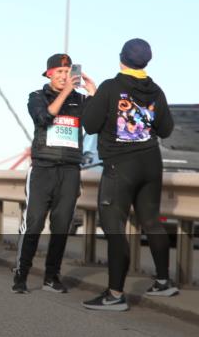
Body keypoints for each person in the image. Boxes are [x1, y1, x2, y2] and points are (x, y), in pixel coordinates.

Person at [80, 38, 177, 311]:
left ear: (121, 58)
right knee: (152, 222)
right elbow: (166, 129)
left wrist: (92, 96)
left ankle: (115, 295)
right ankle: (163, 281)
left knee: (114, 228)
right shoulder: (156, 91)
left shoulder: (111, 87)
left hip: (120, 166)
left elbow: (90, 125)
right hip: (151, 164)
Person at [12, 54, 97, 295]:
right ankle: (21, 274)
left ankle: (52, 277)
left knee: (61, 225)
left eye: (68, 72)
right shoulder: (37, 96)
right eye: (59, 72)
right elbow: (44, 118)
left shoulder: (80, 100)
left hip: (70, 170)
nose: (64, 76)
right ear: (49, 74)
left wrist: (93, 92)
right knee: (34, 223)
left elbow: (94, 125)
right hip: (43, 169)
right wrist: (66, 91)